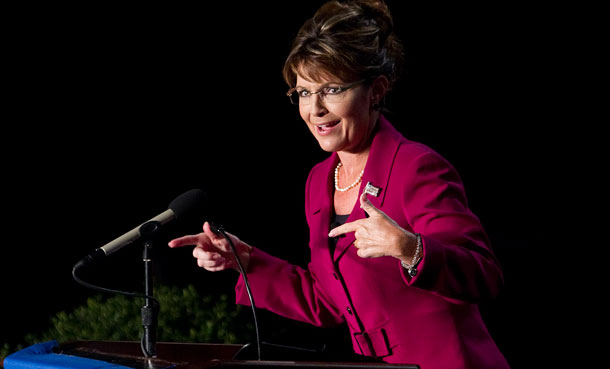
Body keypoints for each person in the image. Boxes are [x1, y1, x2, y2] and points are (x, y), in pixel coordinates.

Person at [169, 1, 509, 368]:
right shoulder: (320, 180)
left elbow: (484, 276)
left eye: (331, 89)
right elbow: (329, 301)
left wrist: (409, 247)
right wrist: (246, 261)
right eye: (303, 92)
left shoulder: (416, 167)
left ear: (376, 90)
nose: (314, 109)